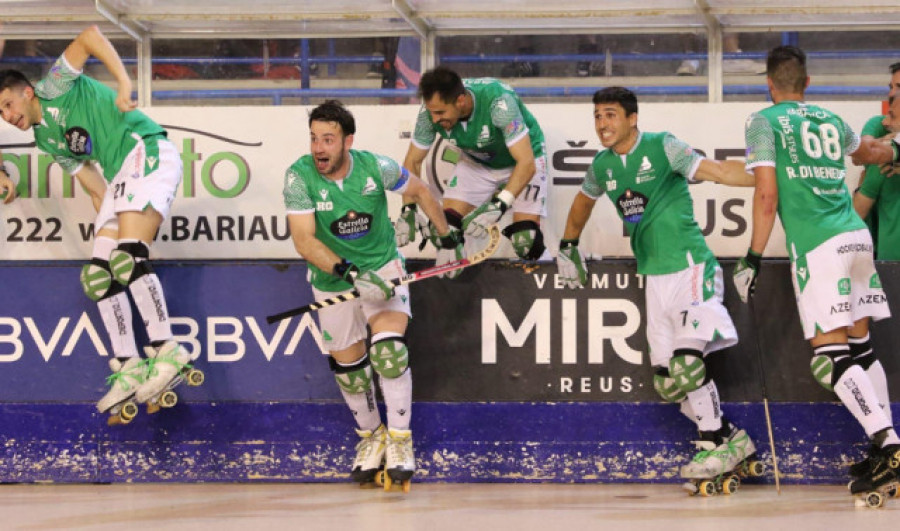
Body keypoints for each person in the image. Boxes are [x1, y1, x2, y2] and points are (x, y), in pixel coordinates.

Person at [557, 86, 758, 490]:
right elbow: (582, 202)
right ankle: (730, 440)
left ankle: (711, 443)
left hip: (690, 268)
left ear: (632, 118)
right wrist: (567, 245)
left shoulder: (663, 147)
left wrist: (768, 180)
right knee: (669, 381)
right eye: (597, 116)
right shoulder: (601, 166)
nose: (602, 124)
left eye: (610, 115)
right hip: (653, 278)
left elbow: (718, 170)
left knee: (687, 364)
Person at [0, 25, 193, 422]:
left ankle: (167, 348)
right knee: (99, 275)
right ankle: (129, 364)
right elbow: (95, 188)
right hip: (120, 176)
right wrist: (110, 227)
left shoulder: (55, 84)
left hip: (145, 149)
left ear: (27, 92)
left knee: (128, 258)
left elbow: (89, 35)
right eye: (0, 113)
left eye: (7, 104)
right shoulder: (45, 140)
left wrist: (124, 84)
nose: (7, 116)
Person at [735, 45, 900, 498]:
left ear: (769, 84)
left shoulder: (762, 122)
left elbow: (766, 195)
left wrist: (751, 255)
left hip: (818, 247)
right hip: (856, 236)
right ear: (807, 84)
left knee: (830, 356)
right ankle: (884, 443)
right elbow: (867, 153)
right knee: (861, 348)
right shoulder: (830, 118)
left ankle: (890, 446)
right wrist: (897, 146)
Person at [283, 100, 459, 487]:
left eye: (328, 139)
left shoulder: (375, 167)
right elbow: (303, 240)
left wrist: (445, 237)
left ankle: (400, 441)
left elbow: (421, 190)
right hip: (333, 281)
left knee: (388, 352)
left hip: (383, 271)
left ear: (348, 141)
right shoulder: (298, 177)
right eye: (314, 139)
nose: (318, 148)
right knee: (350, 374)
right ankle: (372, 437)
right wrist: (349, 273)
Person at [396, 66, 549, 275]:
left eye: (440, 113)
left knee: (526, 242)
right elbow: (412, 162)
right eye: (432, 112)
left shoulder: (499, 103)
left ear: (461, 101)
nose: (434, 120)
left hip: (523, 159)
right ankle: (458, 281)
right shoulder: (428, 113)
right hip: (476, 162)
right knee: (443, 229)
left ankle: (550, 272)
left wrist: (501, 203)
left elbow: (526, 163)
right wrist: (408, 209)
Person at [854, 62, 900, 257]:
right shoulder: (878, 126)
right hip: (888, 262)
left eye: (899, 88)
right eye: (891, 87)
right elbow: (860, 155)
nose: (892, 94)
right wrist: (890, 144)